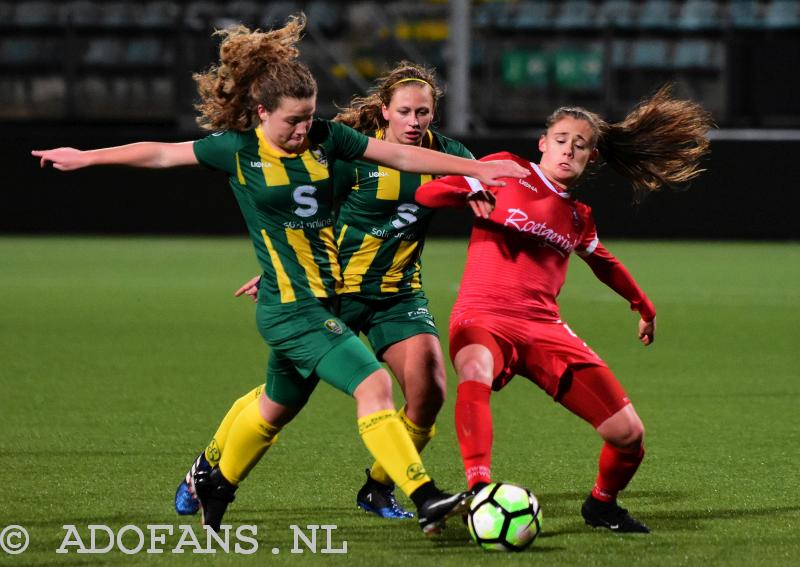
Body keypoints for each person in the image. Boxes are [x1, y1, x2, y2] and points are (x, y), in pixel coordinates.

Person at [31, 14, 528, 535]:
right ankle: (423, 495)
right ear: (263, 112)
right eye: (292, 120)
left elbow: (400, 154)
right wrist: (86, 157)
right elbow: (159, 153)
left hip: (324, 294)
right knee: (374, 383)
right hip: (295, 309)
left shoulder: (328, 139)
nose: (302, 130)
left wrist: (478, 169)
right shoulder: (237, 149)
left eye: (309, 118)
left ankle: (212, 476)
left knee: (276, 406)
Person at [173, 61, 476, 521]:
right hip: (337, 289)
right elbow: (304, 212)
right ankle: (211, 465)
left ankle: (379, 487)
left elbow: (497, 194)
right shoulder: (348, 156)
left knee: (429, 392)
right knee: (282, 401)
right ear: (385, 111)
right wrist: (282, 272)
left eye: (424, 113)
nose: (415, 122)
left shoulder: (447, 156)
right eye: (406, 112)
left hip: (398, 293)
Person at [414, 85, 713, 533]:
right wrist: (464, 194)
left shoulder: (579, 216)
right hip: (483, 317)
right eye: (560, 140)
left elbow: (602, 262)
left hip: (544, 330)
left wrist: (643, 305)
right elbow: (427, 196)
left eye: (580, 144)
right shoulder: (507, 170)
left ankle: (601, 505)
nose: (568, 150)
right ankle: (480, 489)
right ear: (542, 142)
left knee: (628, 435)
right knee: (473, 369)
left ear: (592, 156)